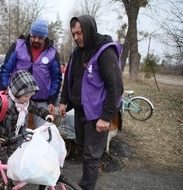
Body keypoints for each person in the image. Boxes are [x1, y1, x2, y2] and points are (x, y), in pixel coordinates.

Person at [58, 15, 124, 190]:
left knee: (91, 157)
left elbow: (116, 88)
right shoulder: (76, 52)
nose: (77, 37)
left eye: (80, 33)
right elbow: (69, 78)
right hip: (81, 113)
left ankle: (87, 187)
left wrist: (106, 117)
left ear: (89, 29)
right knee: (83, 150)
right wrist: (64, 101)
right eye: (74, 34)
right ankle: (86, 182)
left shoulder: (105, 52)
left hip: (97, 115)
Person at [0, 70, 54, 164]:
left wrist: (46, 114)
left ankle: (9, 177)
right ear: (16, 92)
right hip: (0, 140)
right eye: (26, 96)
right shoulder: (2, 102)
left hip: (14, 139)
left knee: (13, 163)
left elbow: (36, 108)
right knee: (3, 165)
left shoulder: (25, 103)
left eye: (30, 96)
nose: (28, 99)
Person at [0, 19, 62, 128]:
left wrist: (52, 100)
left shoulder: (52, 53)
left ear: (45, 37)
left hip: (42, 101)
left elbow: (56, 78)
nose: (36, 40)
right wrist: (4, 92)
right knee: (18, 133)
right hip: (18, 99)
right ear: (30, 33)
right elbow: (5, 70)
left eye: (40, 38)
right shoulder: (18, 46)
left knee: (44, 133)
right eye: (33, 36)